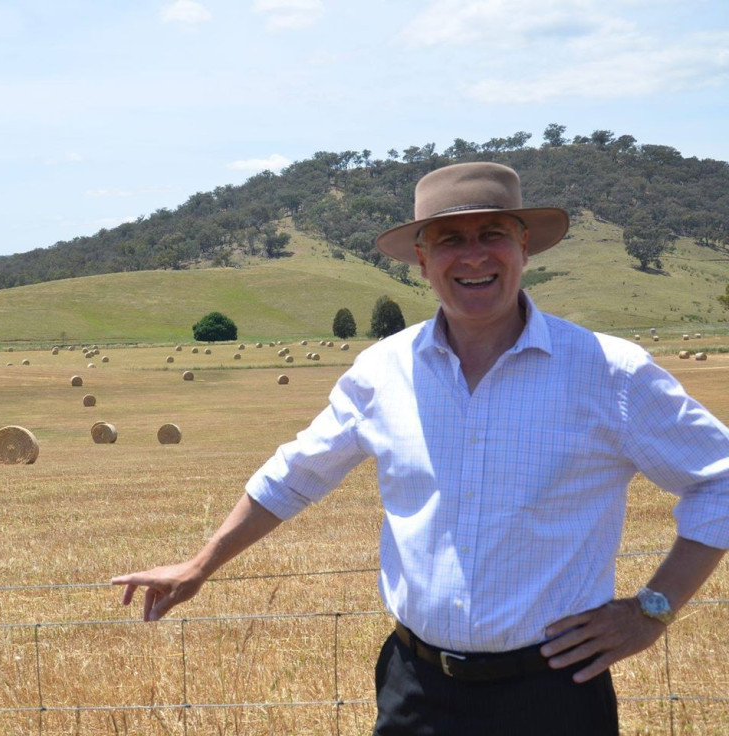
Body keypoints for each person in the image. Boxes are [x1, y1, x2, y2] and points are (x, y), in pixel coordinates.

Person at [112, 162, 729, 735]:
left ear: (523, 248)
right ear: (421, 257)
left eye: (492, 234)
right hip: (416, 691)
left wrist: (652, 611)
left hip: (554, 695)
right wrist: (199, 565)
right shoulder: (383, 370)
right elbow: (295, 474)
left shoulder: (609, 371)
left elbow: (720, 479)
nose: (474, 256)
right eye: (450, 239)